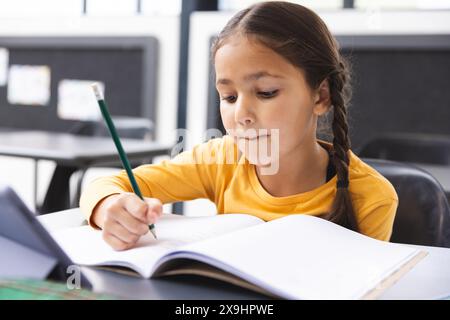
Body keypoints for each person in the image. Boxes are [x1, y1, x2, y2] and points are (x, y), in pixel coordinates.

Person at [80, 1, 398, 251]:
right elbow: (105, 186)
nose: (242, 113)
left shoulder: (371, 198)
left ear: (321, 95)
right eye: (229, 96)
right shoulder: (220, 160)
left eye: (266, 92)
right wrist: (110, 208)